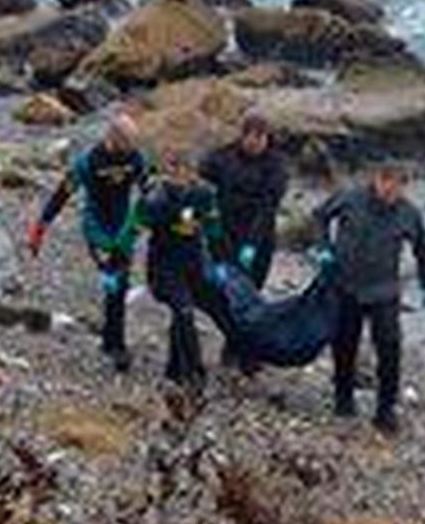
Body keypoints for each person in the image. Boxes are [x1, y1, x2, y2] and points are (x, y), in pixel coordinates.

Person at [312, 160, 425, 432]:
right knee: (344, 344)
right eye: (387, 183)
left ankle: (385, 409)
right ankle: (343, 399)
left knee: (390, 347)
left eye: (399, 185)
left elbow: (423, 246)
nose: (392, 190)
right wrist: (323, 248)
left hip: (384, 291)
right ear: (376, 179)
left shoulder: (409, 214)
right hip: (346, 285)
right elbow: (320, 216)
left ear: (404, 186)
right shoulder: (350, 198)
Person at [27, 111, 154, 371]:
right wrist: (41, 226)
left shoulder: (135, 158)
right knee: (115, 280)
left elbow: (148, 189)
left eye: (133, 145)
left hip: (123, 228)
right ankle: (117, 346)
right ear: (112, 137)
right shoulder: (88, 162)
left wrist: (153, 217)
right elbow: (62, 193)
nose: (129, 150)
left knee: (120, 282)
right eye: (125, 144)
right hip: (96, 228)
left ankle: (110, 340)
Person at [139, 149, 229, 389]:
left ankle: (174, 371)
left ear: (193, 173)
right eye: (173, 169)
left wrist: (220, 262)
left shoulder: (204, 195)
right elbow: (133, 227)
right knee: (184, 312)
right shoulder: (157, 197)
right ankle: (195, 374)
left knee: (192, 314)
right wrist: (115, 262)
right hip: (163, 267)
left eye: (184, 170)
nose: (178, 175)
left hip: (193, 266)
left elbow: (213, 229)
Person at [201, 113, 288, 289]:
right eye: (249, 136)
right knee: (223, 287)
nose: (253, 142)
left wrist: (252, 243)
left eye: (259, 137)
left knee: (252, 286)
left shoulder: (276, 165)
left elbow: (268, 207)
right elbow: (202, 179)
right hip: (226, 229)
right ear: (242, 136)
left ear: (266, 138)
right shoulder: (224, 157)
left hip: (259, 231)